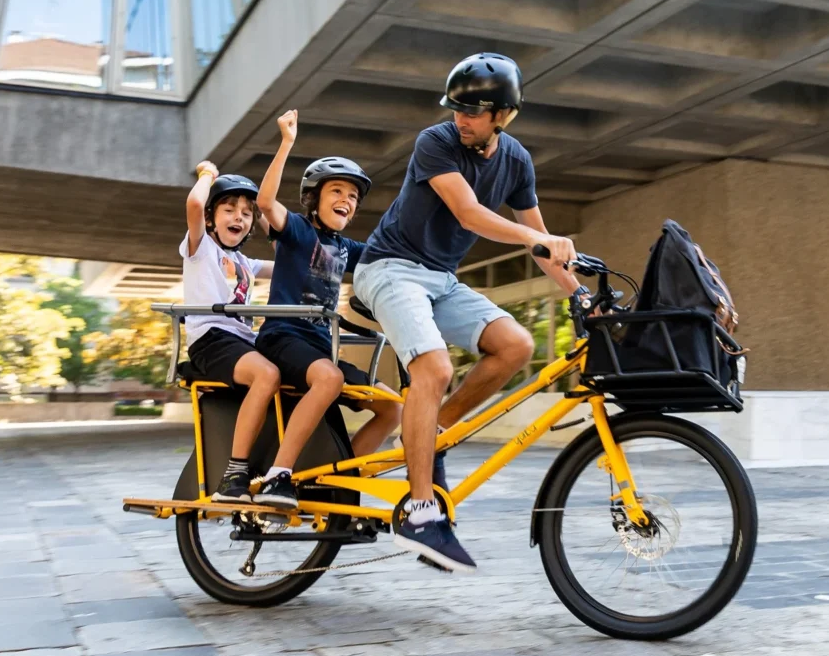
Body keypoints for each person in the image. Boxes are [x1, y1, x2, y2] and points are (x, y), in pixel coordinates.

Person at [353, 53, 588, 572]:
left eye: (475, 111)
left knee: (516, 345)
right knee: (432, 368)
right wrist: (537, 237)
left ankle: (432, 434)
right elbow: (470, 214)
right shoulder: (435, 142)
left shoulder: (516, 161)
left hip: (440, 279)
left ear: (503, 115)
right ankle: (418, 511)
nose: (462, 118)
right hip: (389, 268)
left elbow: (540, 244)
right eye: (457, 108)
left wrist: (579, 294)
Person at [252, 109, 403, 508]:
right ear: (313, 197)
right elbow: (264, 201)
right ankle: (277, 476)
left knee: (391, 408)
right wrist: (286, 142)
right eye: (337, 191)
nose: (346, 200)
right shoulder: (298, 232)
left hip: (321, 347)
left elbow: (387, 258)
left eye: (353, 197)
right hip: (283, 338)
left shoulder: (347, 248)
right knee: (329, 379)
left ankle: (341, 482)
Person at [180, 163, 281, 504]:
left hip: (242, 342)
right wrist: (207, 175)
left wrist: (263, 213)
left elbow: (287, 258)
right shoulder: (200, 250)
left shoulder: (245, 263)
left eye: (246, 213)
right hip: (211, 339)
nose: (238, 217)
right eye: (229, 210)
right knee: (267, 374)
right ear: (211, 219)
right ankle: (234, 471)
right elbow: (194, 205)